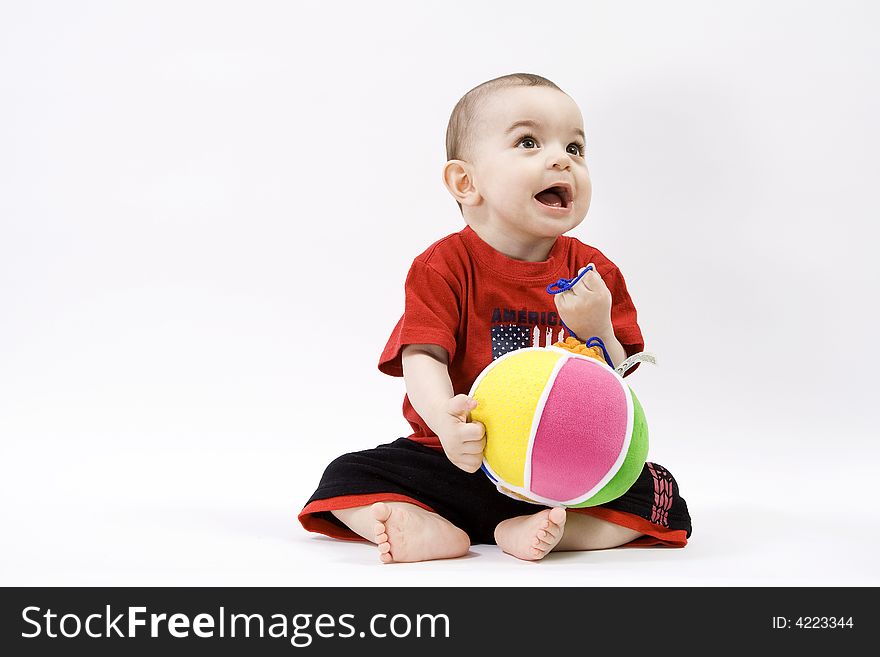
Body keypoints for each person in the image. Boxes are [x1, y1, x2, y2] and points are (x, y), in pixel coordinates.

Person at [298, 73, 692, 563]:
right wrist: (445, 423)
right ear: (466, 182)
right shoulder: (443, 266)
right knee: (345, 475)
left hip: (559, 471)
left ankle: (535, 528)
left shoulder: (595, 274)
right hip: (457, 458)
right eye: (529, 142)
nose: (561, 158)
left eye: (576, 147)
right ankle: (432, 526)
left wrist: (599, 330)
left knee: (661, 494)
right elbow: (423, 356)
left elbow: (617, 390)